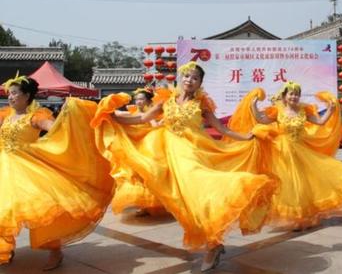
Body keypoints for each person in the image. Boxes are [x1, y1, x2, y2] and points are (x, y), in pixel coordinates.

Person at [91, 62, 277, 272]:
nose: (190, 80)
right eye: (187, 76)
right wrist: (112, 116)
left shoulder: (202, 105)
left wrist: (247, 136)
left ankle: (213, 243)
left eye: (195, 78)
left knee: (201, 198)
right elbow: (142, 118)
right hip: (167, 155)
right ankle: (213, 244)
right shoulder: (165, 100)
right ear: (181, 78)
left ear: (199, 83)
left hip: (194, 155)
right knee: (184, 206)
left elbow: (221, 128)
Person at [0, 73, 114, 270]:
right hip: (4, 167)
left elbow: (55, 129)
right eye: (9, 94)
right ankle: (4, 249)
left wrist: (68, 117)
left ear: (27, 96)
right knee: (4, 211)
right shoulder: (4, 116)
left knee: (44, 212)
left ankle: (55, 251)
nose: (10, 97)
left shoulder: (35, 117)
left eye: (15, 93)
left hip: (28, 170)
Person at [223, 82, 342, 229]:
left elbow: (320, 121)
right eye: (291, 93)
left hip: (300, 150)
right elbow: (261, 120)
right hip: (282, 152)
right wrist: (253, 106)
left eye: (297, 94)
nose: (294, 97)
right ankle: (295, 218)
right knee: (289, 185)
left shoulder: (303, 111)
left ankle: (303, 216)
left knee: (303, 184)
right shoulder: (277, 111)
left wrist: (331, 109)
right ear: (285, 96)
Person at [110, 87, 165, 217]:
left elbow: (154, 126)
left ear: (147, 101)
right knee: (133, 174)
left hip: (145, 146)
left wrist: (161, 123)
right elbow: (117, 114)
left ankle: (146, 204)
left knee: (144, 173)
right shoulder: (133, 112)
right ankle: (142, 203)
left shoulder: (147, 113)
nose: (138, 101)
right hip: (133, 146)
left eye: (141, 99)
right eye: (136, 99)